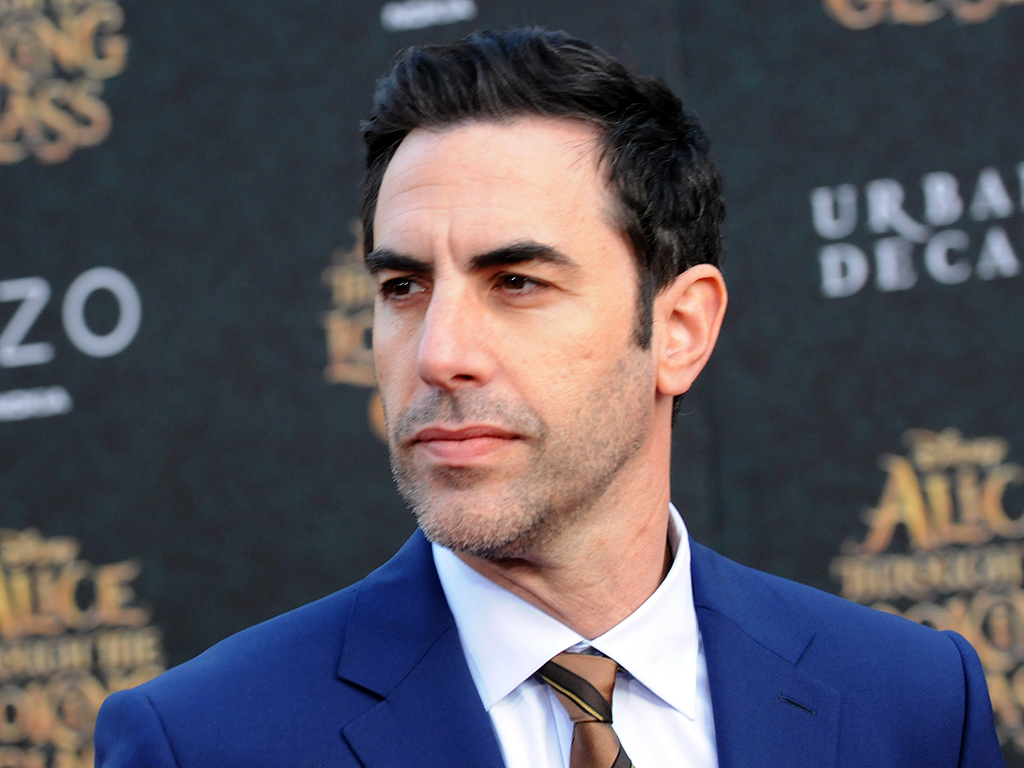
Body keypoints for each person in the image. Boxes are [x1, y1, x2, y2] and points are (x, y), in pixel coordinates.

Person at [94, 28, 1003, 768]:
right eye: (403, 288)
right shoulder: (204, 742)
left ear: (680, 328)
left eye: (517, 282)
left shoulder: (912, 700)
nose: (440, 354)